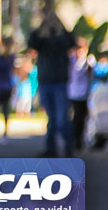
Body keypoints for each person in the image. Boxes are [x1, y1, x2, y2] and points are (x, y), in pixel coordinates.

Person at [27, 11, 77, 157]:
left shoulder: (62, 41)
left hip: (59, 82)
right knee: (52, 117)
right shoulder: (42, 41)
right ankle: (51, 148)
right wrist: (42, 25)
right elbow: (31, 42)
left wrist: (60, 24)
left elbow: (71, 41)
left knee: (62, 118)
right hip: (45, 82)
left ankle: (68, 147)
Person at [67, 36, 95, 150]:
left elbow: (91, 76)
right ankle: (73, 138)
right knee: (74, 117)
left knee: (81, 117)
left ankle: (79, 138)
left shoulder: (89, 61)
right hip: (72, 93)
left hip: (83, 94)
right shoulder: (71, 61)